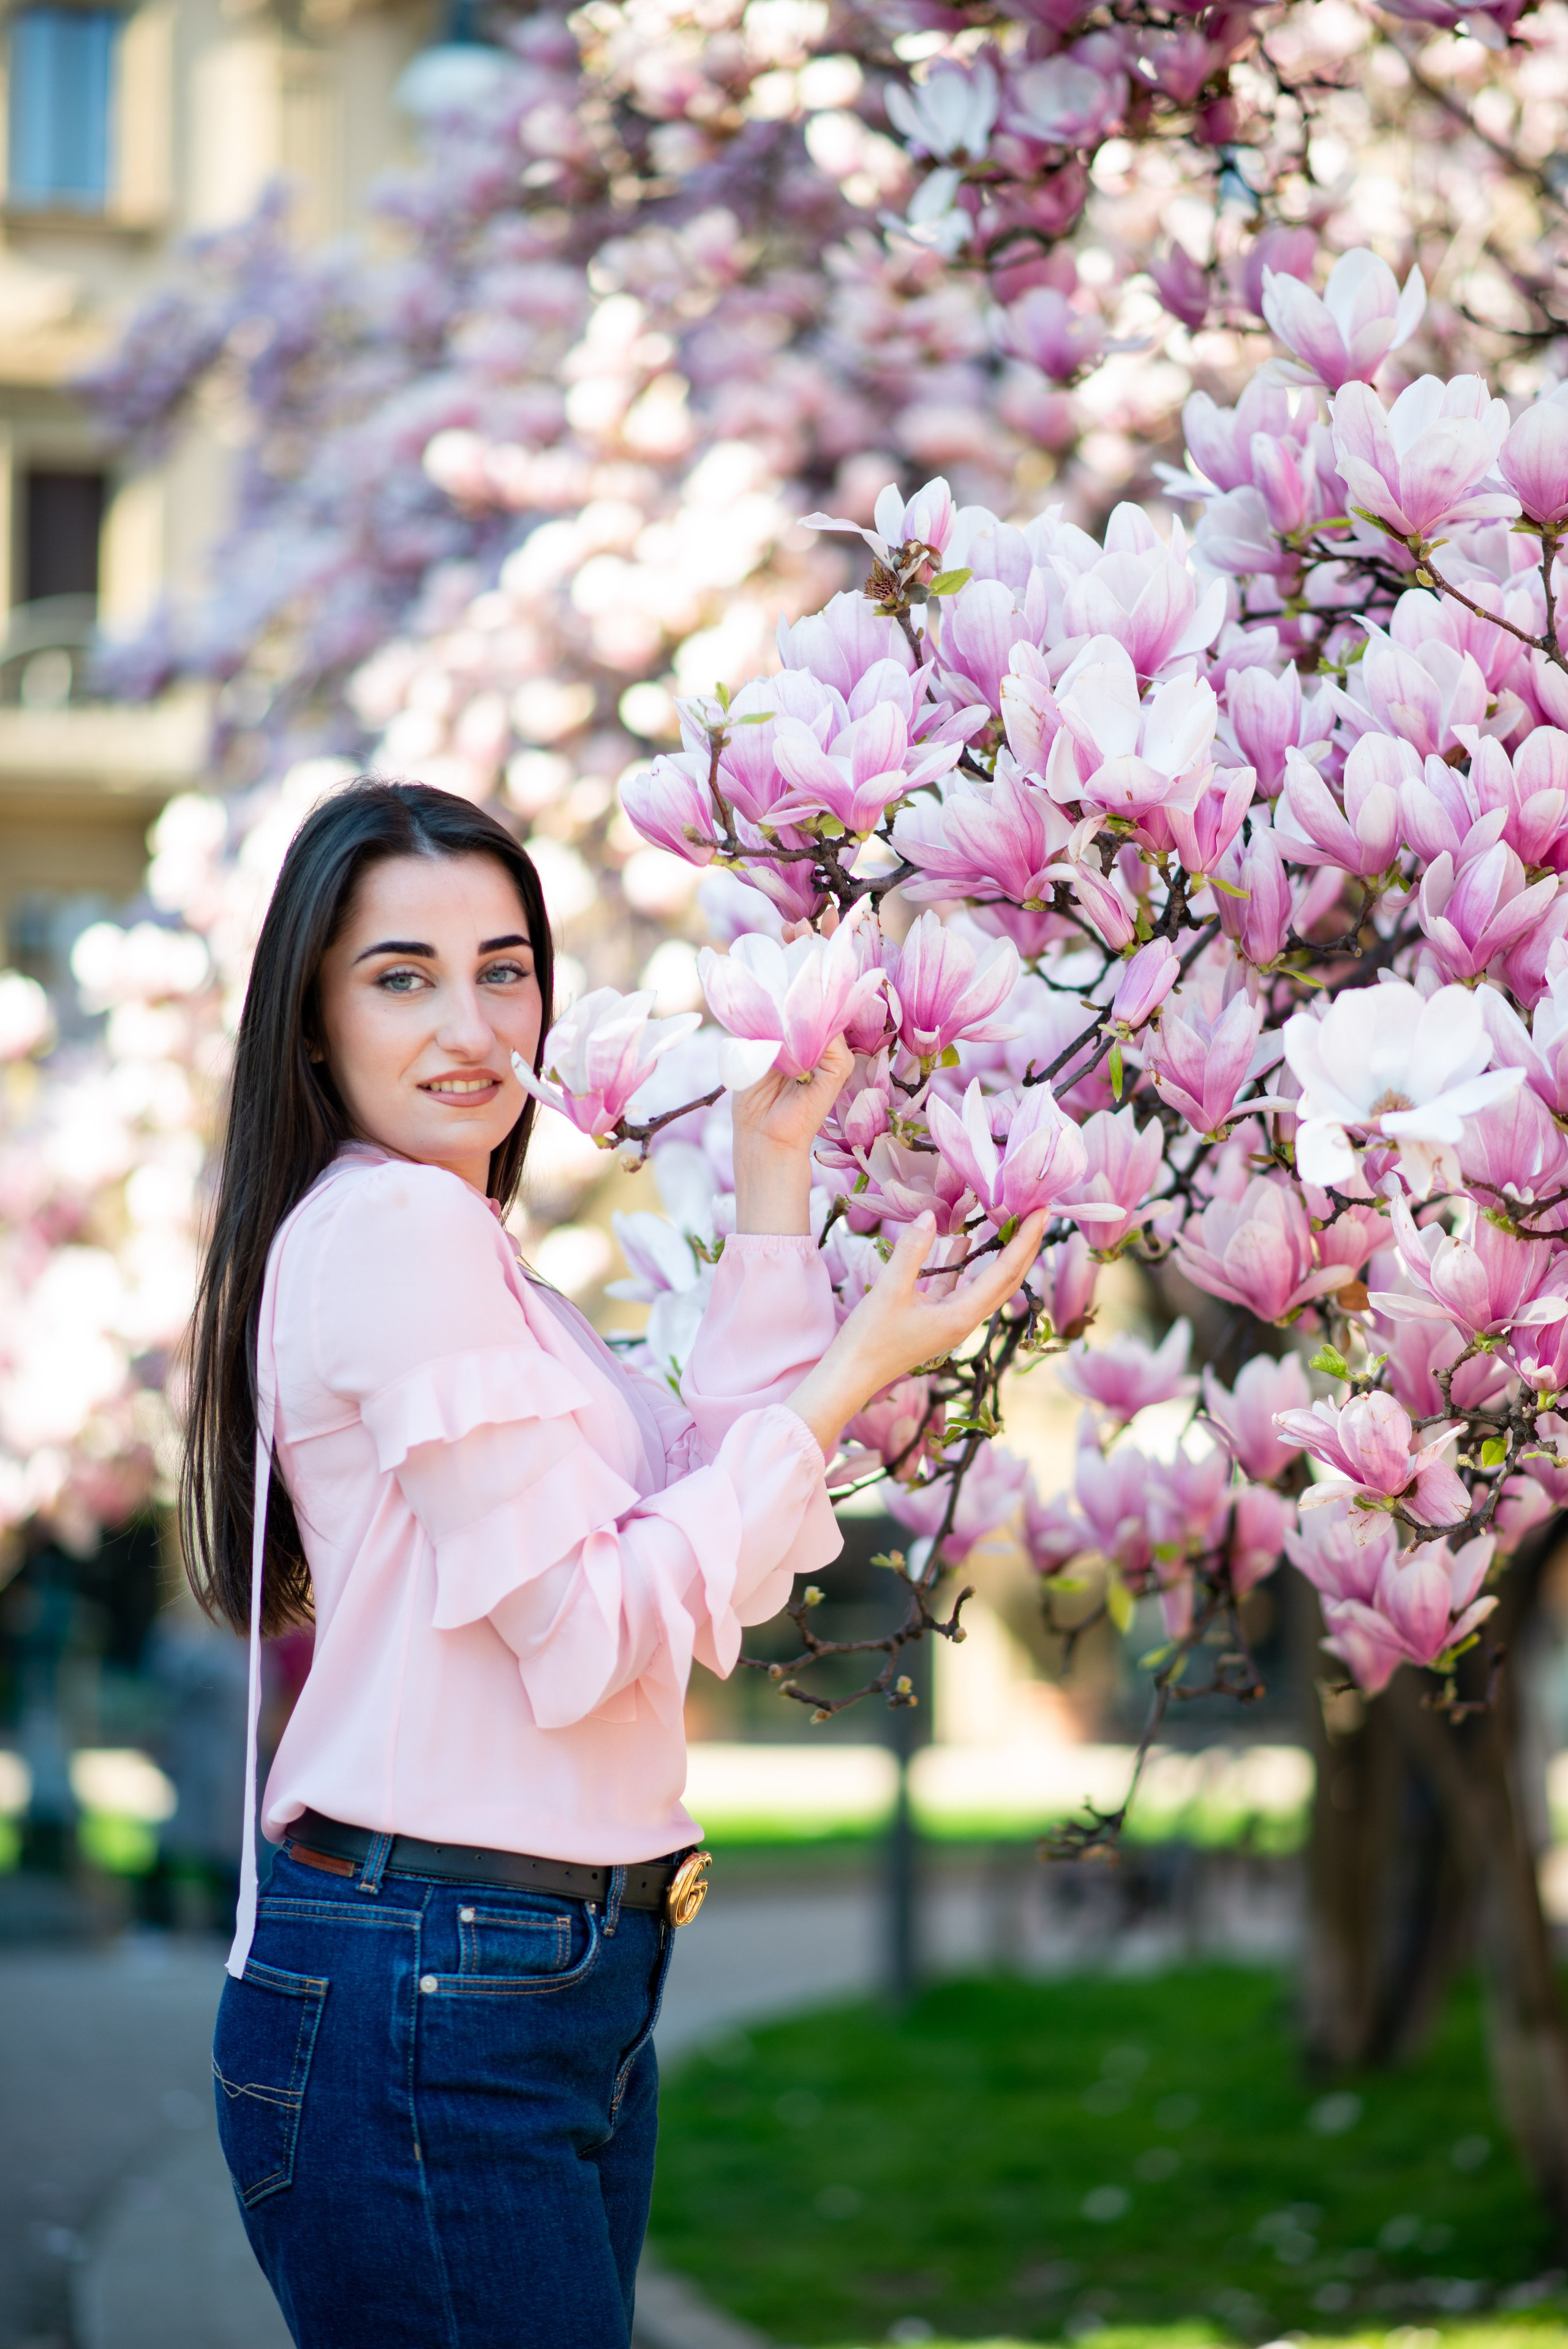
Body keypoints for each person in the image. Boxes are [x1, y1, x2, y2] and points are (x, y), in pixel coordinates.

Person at [181, 777, 1044, 2348]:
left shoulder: (467, 1250)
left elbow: (729, 1531)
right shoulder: (397, 1234)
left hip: (519, 1975)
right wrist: (849, 1379)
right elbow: (591, 1633)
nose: (467, 1024)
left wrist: (769, 1170)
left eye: (502, 968)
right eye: (402, 975)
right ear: (309, 1020)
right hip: (440, 1977)